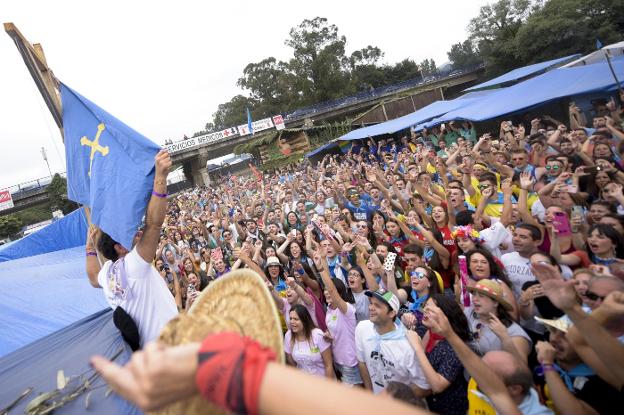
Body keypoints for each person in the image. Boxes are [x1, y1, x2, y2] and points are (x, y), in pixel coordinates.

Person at [85, 150, 178, 347]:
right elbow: (153, 224)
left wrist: (90, 247)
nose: (135, 232)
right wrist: (160, 176)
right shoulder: (134, 264)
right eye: (126, 233)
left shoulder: (108, 273)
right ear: (120, 247)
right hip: (173, 349)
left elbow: (93, 278)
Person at [355, 289, 429, 394]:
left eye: (378, 305)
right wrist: (370, 395)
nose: (371, 308)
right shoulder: (362, 328)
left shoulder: (408, 345)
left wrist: (392, 399)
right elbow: (362, 363)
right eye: (371, 303)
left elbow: (425, 387)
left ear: (392, 313)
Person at [406, 294, 470, 414]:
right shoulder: (429, 330)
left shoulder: (455, 345)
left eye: (430, 309)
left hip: (449, 407)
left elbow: (438, 385)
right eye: (425, 307)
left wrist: (417, 348)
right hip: (429, 403)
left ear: (445, 315)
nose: (425, 311)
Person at [464, 280, 531, 361]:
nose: (475, 299)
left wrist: (504, 337)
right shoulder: (468, 313)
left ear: (495, 302)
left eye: (481, 295)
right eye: (474, 294)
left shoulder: (513, 331)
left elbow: (522, 368)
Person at [284, 304, 334, 379]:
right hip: (304, 384)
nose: (292, 322)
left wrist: (327, 387)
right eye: (290, 318)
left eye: (296, 319)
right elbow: (291, 363)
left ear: (304, 321)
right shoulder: (288, 336)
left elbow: (329, 365)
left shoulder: (317, 335)